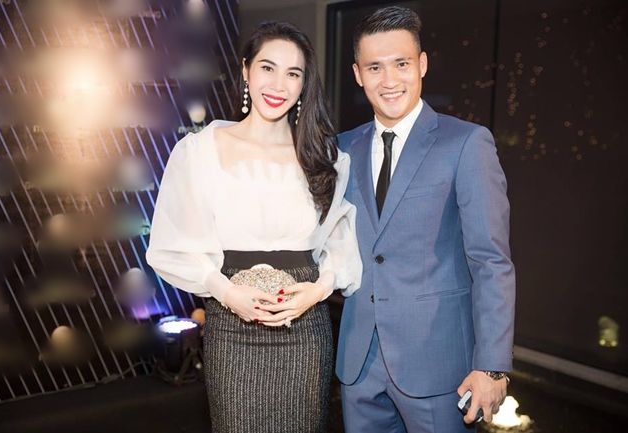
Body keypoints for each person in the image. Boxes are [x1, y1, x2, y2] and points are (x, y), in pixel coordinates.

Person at [146, 21, 362, 433]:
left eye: (293, 73)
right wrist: (227, 293)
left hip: (305, 328)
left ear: (304, 85)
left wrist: (319, 289)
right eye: (267, 68)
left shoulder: (324, 156)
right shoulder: (200, 152)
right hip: (233, 325)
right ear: (246, 70)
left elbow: (339, 234)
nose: (278, 84)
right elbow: (173, 244)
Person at [335, 6, 516, 433]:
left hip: (439, 367)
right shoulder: (340, 149)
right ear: (358, 74)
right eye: (374, 67)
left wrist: (492, 366)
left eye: (401, 64)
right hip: (359, 365)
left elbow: (490, 260)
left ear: (422, 64)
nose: (389, 80)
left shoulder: (466, 143)